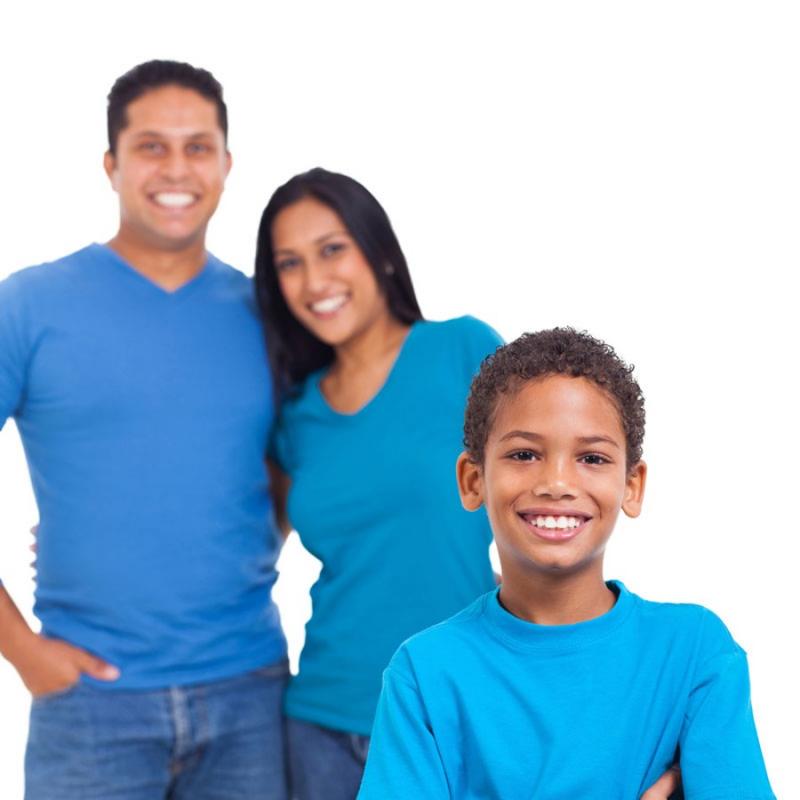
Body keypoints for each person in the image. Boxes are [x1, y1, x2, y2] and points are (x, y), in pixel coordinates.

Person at [255, 170, 681, 800]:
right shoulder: (297, 415)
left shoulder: (461, 349)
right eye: (289, 262)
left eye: (332, 248)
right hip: (320, 721)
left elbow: (557, 490)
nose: (314, 280)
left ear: (379, 252)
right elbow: (248, 544)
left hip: (466, 712)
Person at [0, 60, 288, 799]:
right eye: (151, 146)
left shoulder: (271, 314)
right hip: (89, 702)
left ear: (226, 164)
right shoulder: (29, 307)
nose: (176, 168)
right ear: (111, 164)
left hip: (250, 692)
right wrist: (23, 651)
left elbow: (294, 472)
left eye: (198, 147)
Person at [358, 328, 775, 799]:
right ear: (473, 480)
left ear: (632, 486)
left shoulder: (695, 653)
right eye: (524, 454)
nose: (556, 481)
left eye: (592, 458)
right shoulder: (424, 672)